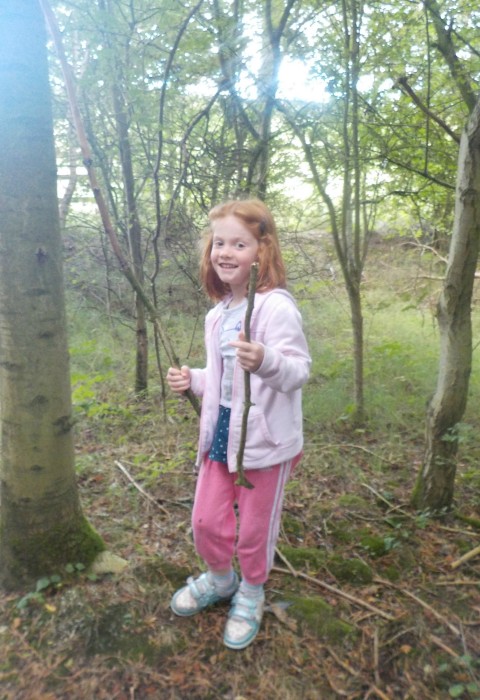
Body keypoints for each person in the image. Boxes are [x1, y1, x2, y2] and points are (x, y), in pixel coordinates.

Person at [166, 199, 310, 650]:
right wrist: (194, 379)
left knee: (253, 530)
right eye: (219, 243)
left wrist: (266, 360)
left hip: (263, 441)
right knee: (206, 521)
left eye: (239, 244)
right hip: (220, 435)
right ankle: (221, 579)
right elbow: (224, 380)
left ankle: (251, 591)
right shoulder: (218, 314)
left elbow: (298, 369)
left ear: (261, 251)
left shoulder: (275, 308)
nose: (225, 253)